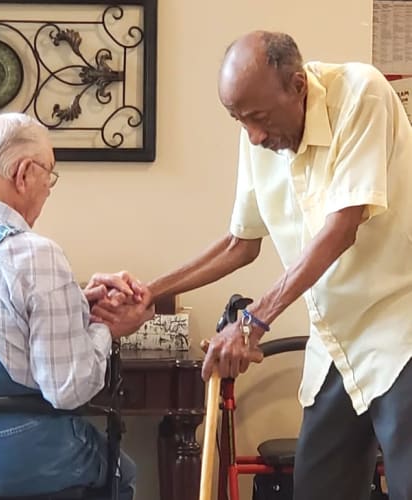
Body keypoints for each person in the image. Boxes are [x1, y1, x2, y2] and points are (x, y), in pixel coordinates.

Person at [147, 31, 412, 500]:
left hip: (400, 332)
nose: (253, 135)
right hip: (337, 344)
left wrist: (253, 322)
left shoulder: (362, 93)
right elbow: (239, 243)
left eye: (259, 118)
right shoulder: (258, 136)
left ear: (297, 86)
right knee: (317, 488)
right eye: (239, 119)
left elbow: (341, 228)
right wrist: (149, 294)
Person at [0, 112, 154, 499]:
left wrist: (75, 302)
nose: (49, 187)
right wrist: (107, 328)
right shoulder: (33, 254)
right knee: (122, 471)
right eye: (49, 174)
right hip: (22, 462)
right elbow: (68, 389)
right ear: (23, 174)